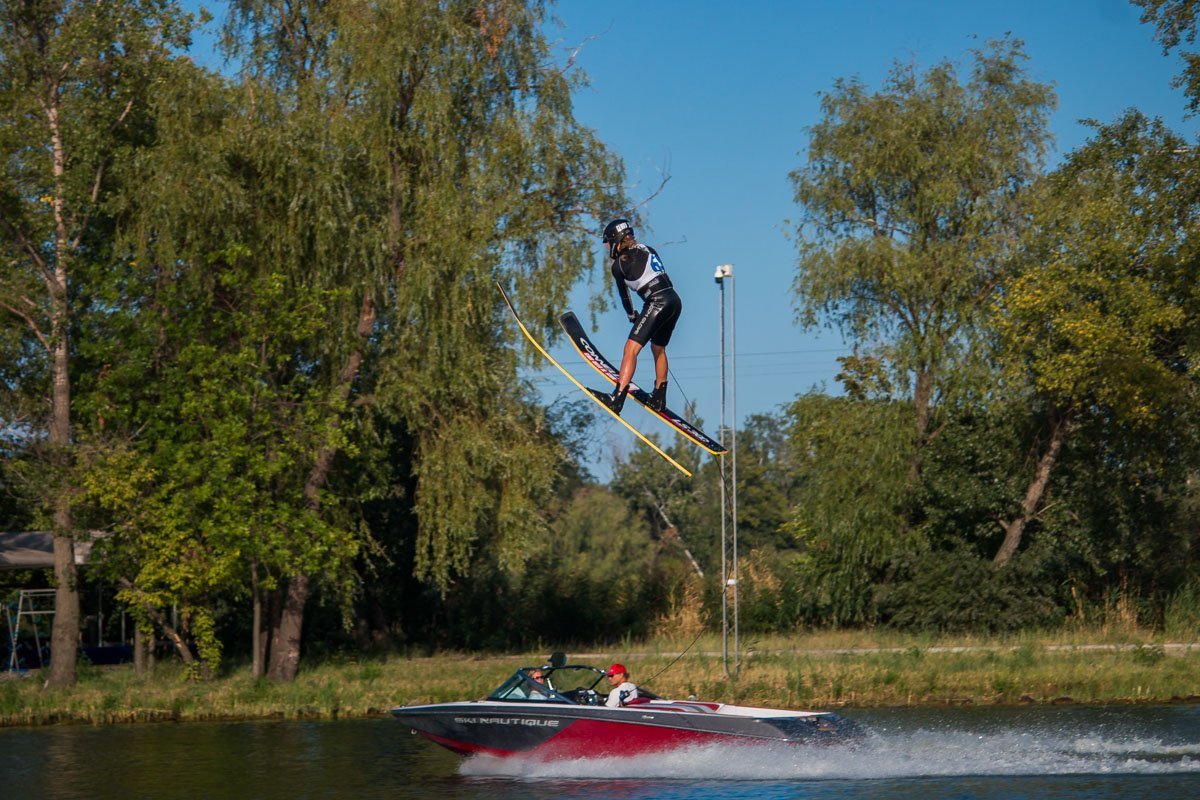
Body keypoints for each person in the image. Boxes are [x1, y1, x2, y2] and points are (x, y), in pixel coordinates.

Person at [597, 218, 682, 415]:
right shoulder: (648, 249)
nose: (607, 247)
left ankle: (617, 398)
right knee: (658, 348)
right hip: (674, 300)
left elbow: (624, 295)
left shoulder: (619, 265)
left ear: (616, 240)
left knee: (630, 349)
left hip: (657, 301)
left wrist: (631, 314)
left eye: (608, 243)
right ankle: (659, 398)